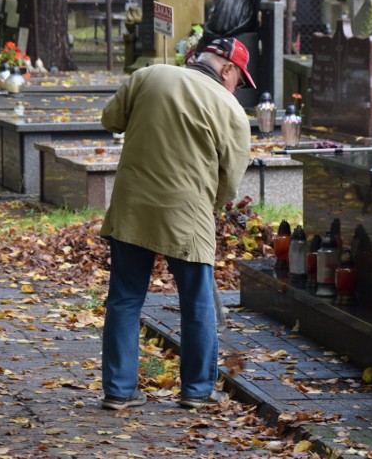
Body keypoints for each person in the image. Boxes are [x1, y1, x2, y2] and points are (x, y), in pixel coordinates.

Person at [99, 37, 256, 411]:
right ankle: (197, 392)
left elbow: (110, 119)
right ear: (227, 69)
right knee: (196, 302)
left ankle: (119, 393)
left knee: (124, 298)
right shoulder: (229, 108)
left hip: (132, 206)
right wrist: (211, 206)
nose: (237, 88)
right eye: (239, 80)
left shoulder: (148, 75)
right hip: (187, 213)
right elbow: (231, 178)